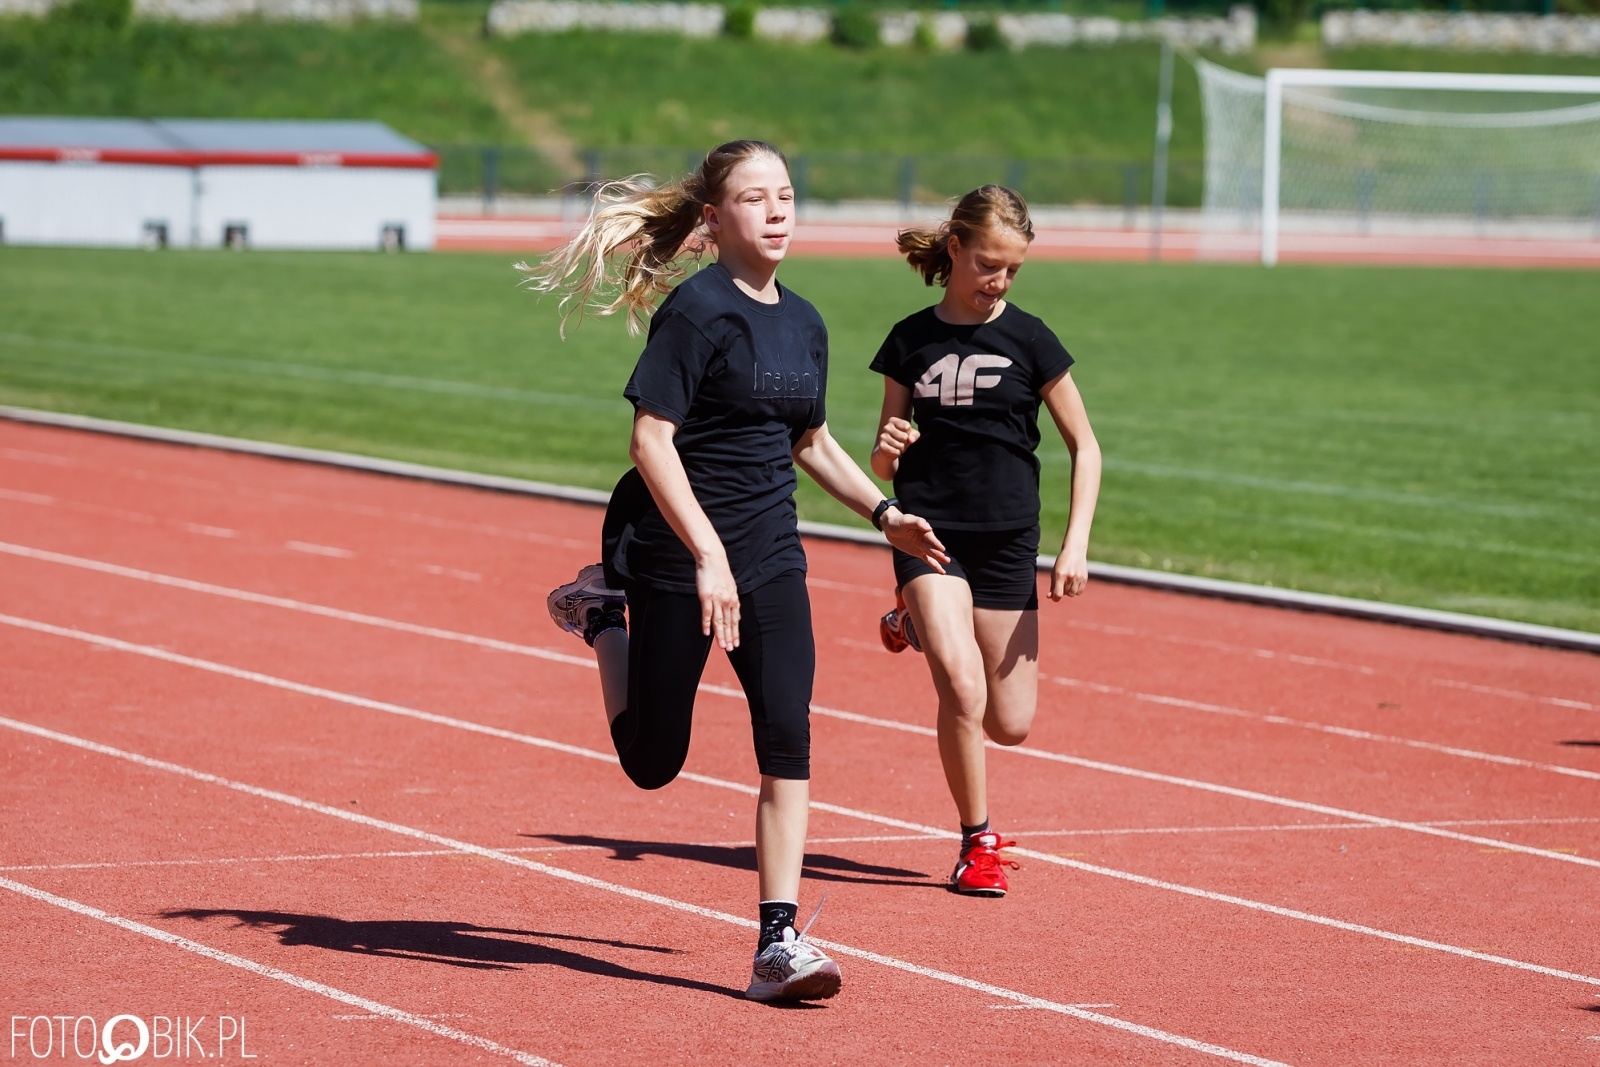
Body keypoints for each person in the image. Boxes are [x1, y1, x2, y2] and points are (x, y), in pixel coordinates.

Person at [525, 140, 947, 1001]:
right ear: (714, 222)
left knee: (787, 735)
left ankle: (776, 942)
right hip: (679, 555)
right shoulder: (698, 311)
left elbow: (811, 441)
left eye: (787, 194)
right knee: (652, 760)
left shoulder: (807, 320)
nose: (779, 211)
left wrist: (885, 515)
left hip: (770, 559)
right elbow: (650, 441)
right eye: (756, 199)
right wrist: (706, 554)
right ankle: (603, 616)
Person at [869, 185, 1102, 898]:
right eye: (988, 265)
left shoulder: (1032, 339)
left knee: (1012, 722)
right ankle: (977, 842)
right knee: (961, 688)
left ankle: (909, 621)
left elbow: (1085, 446)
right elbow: (883, 463)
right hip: (930, 533)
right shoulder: (910, 340)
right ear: (955, 251)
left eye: (1012, 270)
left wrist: (1075, 543)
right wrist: (888, 447)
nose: (998, 281)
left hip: (1007, 539)